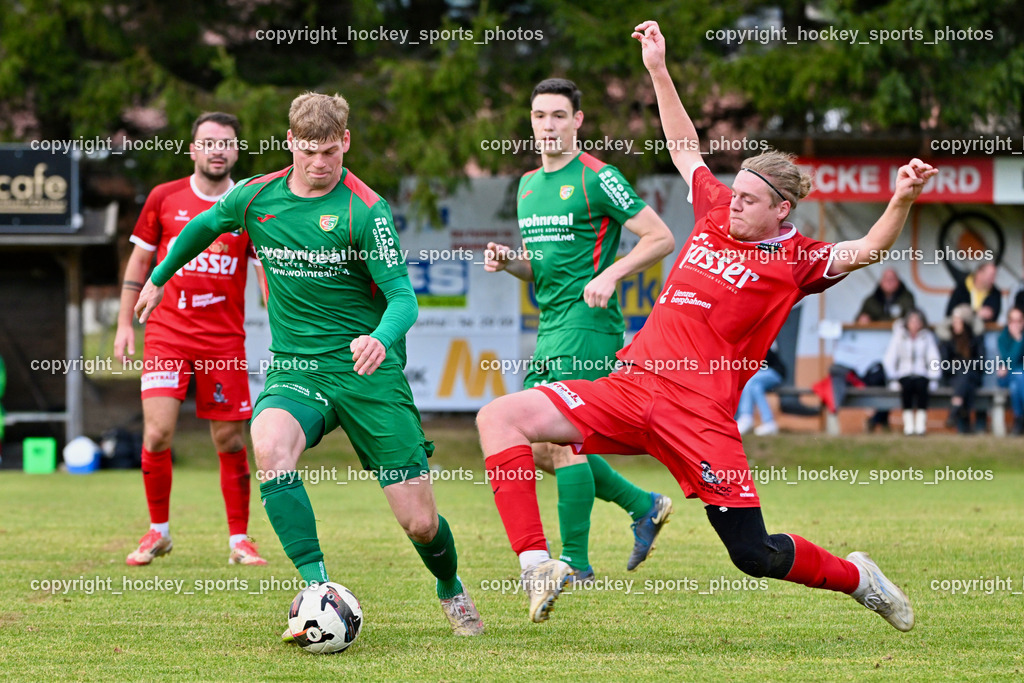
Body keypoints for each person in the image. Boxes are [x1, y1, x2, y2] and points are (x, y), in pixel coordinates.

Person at [476, 20, 936, 630]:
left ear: (782, 210)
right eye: (734, 191)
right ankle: (537, 565)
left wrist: (901, 198)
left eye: (748, 197)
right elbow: (685, 147)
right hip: (633, 385)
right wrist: (658, 70)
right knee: (499, 417)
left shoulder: (797, 260)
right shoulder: (717, 210)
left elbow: (868, 249)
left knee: (755, 554)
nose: (732, 200)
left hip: (701, 417)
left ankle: (860, 580)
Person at [134, 92, 484, 637]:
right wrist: (158, 279)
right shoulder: (256, 197)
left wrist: (379, 337)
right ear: (291, 142)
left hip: (369, 375)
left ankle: (450, 586)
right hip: (297, 369)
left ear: (346, 141)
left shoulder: (364, 209)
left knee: (420, 523)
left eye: (331, 151)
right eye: (309, 150)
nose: (320, 163)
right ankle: (318, 587)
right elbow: (202, 228)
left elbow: (404, 299)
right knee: (269, 444)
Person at [484, 78, 676, 582]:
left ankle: (575, 562)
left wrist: (611, 274)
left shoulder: (598, 177)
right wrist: (511, 264)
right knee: (541, 446)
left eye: (558, 116)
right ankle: (643, 504)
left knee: (565, 443)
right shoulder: (527, 186)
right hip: (550, 328)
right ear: (531, 121)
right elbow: (540, 267)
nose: (548, 126)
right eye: (540, 116)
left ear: (578, 121)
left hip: (588, 328)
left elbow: (660, 237)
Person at [115, 112, 267, 567]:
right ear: (193, 150)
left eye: (226, 142)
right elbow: (139, 266)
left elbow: (268, 281)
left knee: (230, 441)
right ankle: (158, 532)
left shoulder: (251, 203)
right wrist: (125, 323)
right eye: (208, 142)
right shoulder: (165, 198)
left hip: (223, 341)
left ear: (237, 150)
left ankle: (240, 540)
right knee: (158, 433)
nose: (217, 149)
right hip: (167, 334)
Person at [855, 268, 916, 431]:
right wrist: (863, 319)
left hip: (898, 350)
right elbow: (858, 320)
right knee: (877, 379)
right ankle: (880, 419)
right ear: (880, 282)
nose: (889, 282)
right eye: (886, 279)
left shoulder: (906, 298)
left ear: (898, 281)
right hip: (874, 352)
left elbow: (909, 319)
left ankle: (877, 419)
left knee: (893, 379)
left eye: (892, 279)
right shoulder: (871, 300)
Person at [883, 310, 942, 436]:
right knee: (907, 387)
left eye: (917, 321)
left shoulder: (927, 337)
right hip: (903, 373)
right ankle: (909, 425)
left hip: (921, 373)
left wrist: (933, 378)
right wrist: (893, 378)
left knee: (922, 387)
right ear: (907, 323)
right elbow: (889, 359)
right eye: (912, 321)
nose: (914, 324)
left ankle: (920, 425)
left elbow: (933, 359)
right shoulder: (899, 337)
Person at [936, 304, 985, 434]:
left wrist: (964, 364)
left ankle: (955, 410)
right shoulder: (947, 340)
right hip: (953, 377)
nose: (955, 324)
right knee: (964, 378)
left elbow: (981, 363)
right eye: (954, 321)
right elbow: (944, 366)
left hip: (972, 376)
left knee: (965, 373)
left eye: (959, 321)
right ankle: (962, 414)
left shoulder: (975, 340)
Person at [735, 346, 786, 436]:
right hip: (758, 379)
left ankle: (746, 416)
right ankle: (769, 422)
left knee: (749, 379)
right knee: (756, 388)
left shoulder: (760, 342)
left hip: (775, 373)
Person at [996, 307, 1024, 435]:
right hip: (1005, 378)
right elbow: (1009, 360)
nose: (1016, 324)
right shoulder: (1003, 338)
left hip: (1016, 378)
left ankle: (1018, 419)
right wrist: (1018, 340)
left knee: (1015, 385)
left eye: (1019, 320)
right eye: (1012, 320)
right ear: (1008, 322)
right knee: (1019, 374)